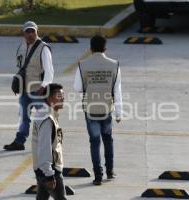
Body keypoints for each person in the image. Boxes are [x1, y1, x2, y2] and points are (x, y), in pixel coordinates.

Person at [74, 35, 123, 185]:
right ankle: (110, 171)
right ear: (105, 48)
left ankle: (98, 176)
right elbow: (117, 90)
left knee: (94, 142)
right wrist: (119, 113)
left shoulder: (83, 65)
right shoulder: (114, 65)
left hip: (90, 109)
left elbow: (77, 88)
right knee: (108, 139)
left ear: (90, 49)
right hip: (107, 108)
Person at [4, 21, 54, 151]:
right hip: (24, 90)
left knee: (44, 118)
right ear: (24, 33)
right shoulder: (21, 47)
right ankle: (19, 142)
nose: (31, 34)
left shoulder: (43, 48)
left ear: (37, 32)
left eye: (33, 31)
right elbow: (20, 66)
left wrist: (44, 85)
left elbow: (49, 71)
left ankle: (49, 142)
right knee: (23, 117)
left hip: (38, 89)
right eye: (28, 31)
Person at [32, 83, 67, 200]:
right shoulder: (47, 119)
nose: (63, 98)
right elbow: (44, 147)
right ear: (49, 98)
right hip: (50, 170)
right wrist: (49, 175)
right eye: (59, 95)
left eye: (63, 95)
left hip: (43, 169)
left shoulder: (46, 114)